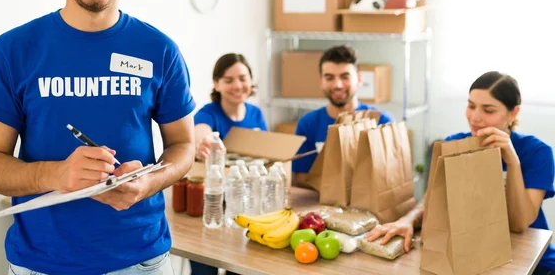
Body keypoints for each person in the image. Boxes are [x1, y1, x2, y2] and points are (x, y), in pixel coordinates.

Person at [0, 0, 196, 275]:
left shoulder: (159, 50)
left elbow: (184, 145)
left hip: (141, 260)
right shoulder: (13, 50)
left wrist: (147, 182)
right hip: (41, 263)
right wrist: (55, 175)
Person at [366, 71, 555, 275]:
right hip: (472, 252)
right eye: (471, 106)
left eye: (488, 110)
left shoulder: (538, 152)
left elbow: (519, 224)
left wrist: (512, 161)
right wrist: (408, 220)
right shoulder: (453, 144)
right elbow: (431, 198)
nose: (475, 118)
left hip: (535, 263)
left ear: (513, 113)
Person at [191, 53, 267, 275]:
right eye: (229, 80)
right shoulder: (209, 113)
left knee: (241, 265)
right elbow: (200, 131)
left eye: (243, 78)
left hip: (246, 206)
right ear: (216, 84)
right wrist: (203, 141)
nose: (237, 85)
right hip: (212, 206)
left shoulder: (256, 114)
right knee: (205, 269)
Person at [291, 45, 394, 187]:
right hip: (320, 206)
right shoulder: (308, 124)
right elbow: (301, 180)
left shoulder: (381, 122)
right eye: (329, 78)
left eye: (345, 77)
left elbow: (391, 177)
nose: (337, 85)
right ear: (321, 81)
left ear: (359, 79)